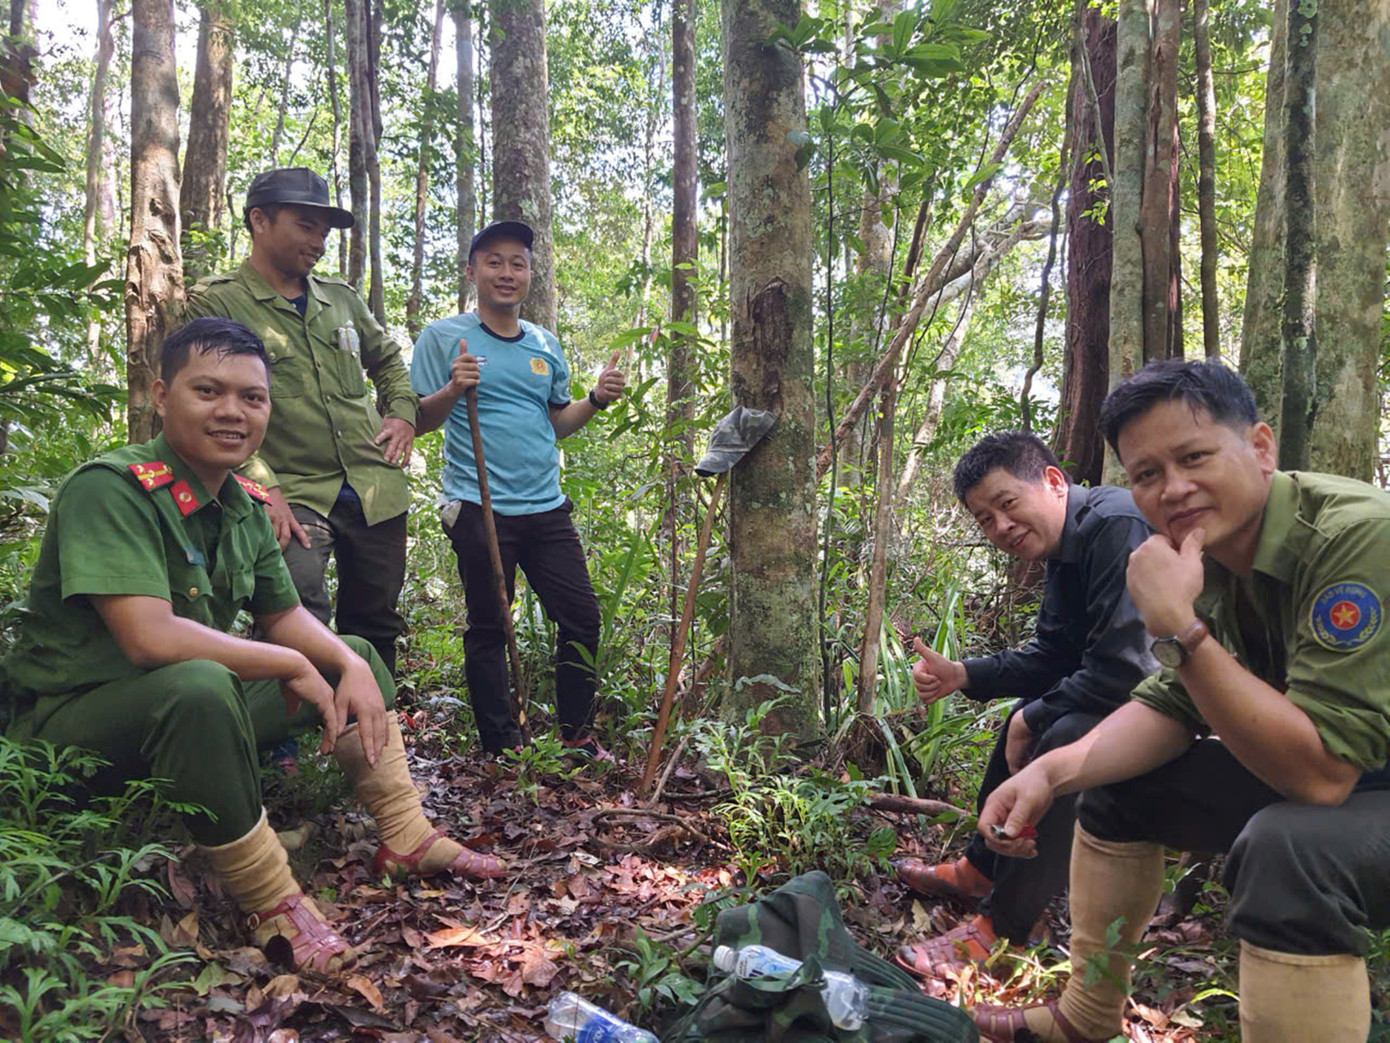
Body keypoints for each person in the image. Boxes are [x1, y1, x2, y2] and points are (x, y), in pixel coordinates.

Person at [1, 319, 503, 975]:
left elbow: (284, 612)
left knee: (353, 651)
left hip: (172, 715)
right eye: (208, 391)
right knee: (201, 685)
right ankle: (271, 901)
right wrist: (289, 662)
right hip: (70, 733)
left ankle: (407, 834)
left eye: (252, 397)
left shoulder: (243, 502)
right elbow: (149, 637)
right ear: (161, 393)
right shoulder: (113, 488)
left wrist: (343, 662)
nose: (233, 411)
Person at [972, 359, 1390, 1043]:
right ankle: (1086, 1013)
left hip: (1349, 775)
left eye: (1194, 457)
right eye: (1146, 474)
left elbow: (1321, 775)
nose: (1174, 488)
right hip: (1358, 775)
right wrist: (1047, 773)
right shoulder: (1209, 554)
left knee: (1290, 848)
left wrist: (1180, 627)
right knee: (1118, 785)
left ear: (1259, 448)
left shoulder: (1355, 536)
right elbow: (1171, 703)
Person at [895, 432, 1157, 979]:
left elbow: (1128, 667)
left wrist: (1031, 718)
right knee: (1038, 714)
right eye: (985, 520)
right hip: (1144, 700)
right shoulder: (1068, 548)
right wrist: (964, 674)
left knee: (1062, 734)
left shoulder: (1116, 524)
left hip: (1195, 708)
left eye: (1008, 504)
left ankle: (1005, 930)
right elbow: (1054, 656)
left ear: (1054, 482)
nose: (1001, 527)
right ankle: (979, 869)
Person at [185, 168, 417, 675]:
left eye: (323, 232)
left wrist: (402, 414)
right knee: (293, 613)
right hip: (292, 490)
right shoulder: (218, 301)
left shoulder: (343, 299)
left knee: (376, 622)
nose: (317, 242)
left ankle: (370, 735)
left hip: (374, 485)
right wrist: (262, 487)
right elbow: (212, 408)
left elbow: (390, 361)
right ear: (259, 220)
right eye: (305, 226)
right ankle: (286, 741)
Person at [410, 221, 626, 756]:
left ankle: (576, 735)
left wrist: (595, 399)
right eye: (494, 261)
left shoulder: (544, 344)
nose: (507, 273)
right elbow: (417, 421)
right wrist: (453, 388)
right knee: (490, 624)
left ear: (530, 273)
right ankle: (501, 746)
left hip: (546, 508)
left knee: (581, 617)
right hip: (479, 506)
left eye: (518, 263)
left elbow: (555, 422)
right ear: (472, 271)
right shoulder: (444, 338)